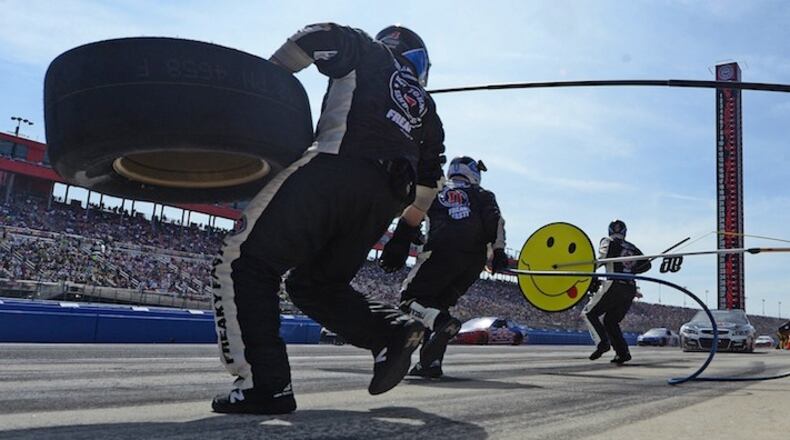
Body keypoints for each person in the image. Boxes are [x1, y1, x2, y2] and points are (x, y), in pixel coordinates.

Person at [210, 23, 446, 414]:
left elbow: (319, 35)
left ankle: (265, 384)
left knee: (243, 262)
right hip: (384, 201)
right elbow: (431, 177)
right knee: (315, 285)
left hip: (337, 163)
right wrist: (406, 229)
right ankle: (390, 331)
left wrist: (267, 80)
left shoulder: (369, 51)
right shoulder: (426, 108)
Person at [379, 156, 508, 378]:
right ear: (474, 174)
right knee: (437, 305)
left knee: (410, 301)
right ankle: (431, 363)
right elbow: (495, 220)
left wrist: (408, 235)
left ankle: (442, 323)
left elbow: (413, 209)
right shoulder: (484, 195)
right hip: (472, 261)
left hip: (440, 251)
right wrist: (498, 251)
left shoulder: (436, 188)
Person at [582, 219, 651, 364]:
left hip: (614, 284)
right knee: (611, 321)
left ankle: (602, 343)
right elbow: (646, 265)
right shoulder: (632, 247)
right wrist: (632, 269)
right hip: (630, 287)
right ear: (625, 232)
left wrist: (587, 269)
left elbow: (603, 258)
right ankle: (622, 353)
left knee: (589, 313)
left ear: (610, 231)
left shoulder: (607, 241)